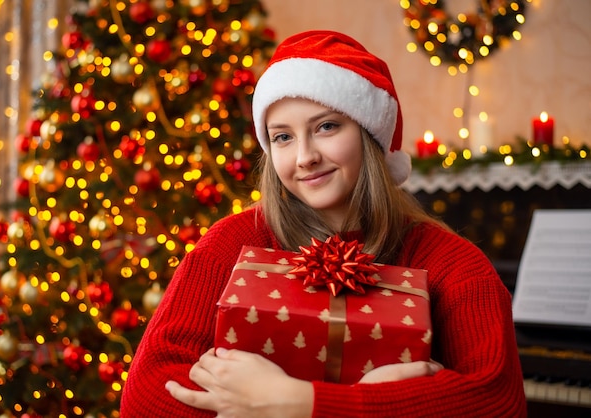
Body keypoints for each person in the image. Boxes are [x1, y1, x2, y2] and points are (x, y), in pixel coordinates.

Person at [120, 30, 527, 417]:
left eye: (326, 127)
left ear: (370, 136)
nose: (304, 157)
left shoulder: (451, 263)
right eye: (282, 137)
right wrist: (382, 402)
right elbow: (146, 398)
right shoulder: (231, 242)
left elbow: (498, 403)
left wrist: (298, 404)